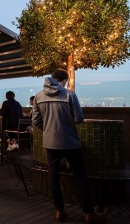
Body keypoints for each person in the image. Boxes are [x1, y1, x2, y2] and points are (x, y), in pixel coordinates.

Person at [32, 69, 106, 223]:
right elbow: (79, 118)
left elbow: (36, 121)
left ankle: (59, 211)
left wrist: (49, 130)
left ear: (52, 79)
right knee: (80, 176)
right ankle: (88, 213)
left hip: (50, 143)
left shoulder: (39, 96)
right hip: (70, 142)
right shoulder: (69, 94)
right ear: (64, 80)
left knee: (53, 177)